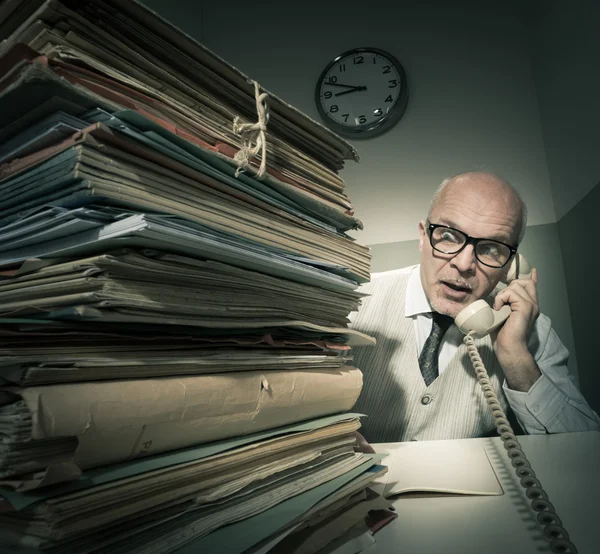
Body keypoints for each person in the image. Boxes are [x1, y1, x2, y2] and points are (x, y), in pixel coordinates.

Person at [350, 171, 600, 447]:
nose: (464, 263)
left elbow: (586, 448)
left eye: (492, 248)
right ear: (423, 236)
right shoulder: (352, 302)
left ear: (510, 266)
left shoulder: (531, 330)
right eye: (447, 235)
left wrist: (516, 357)